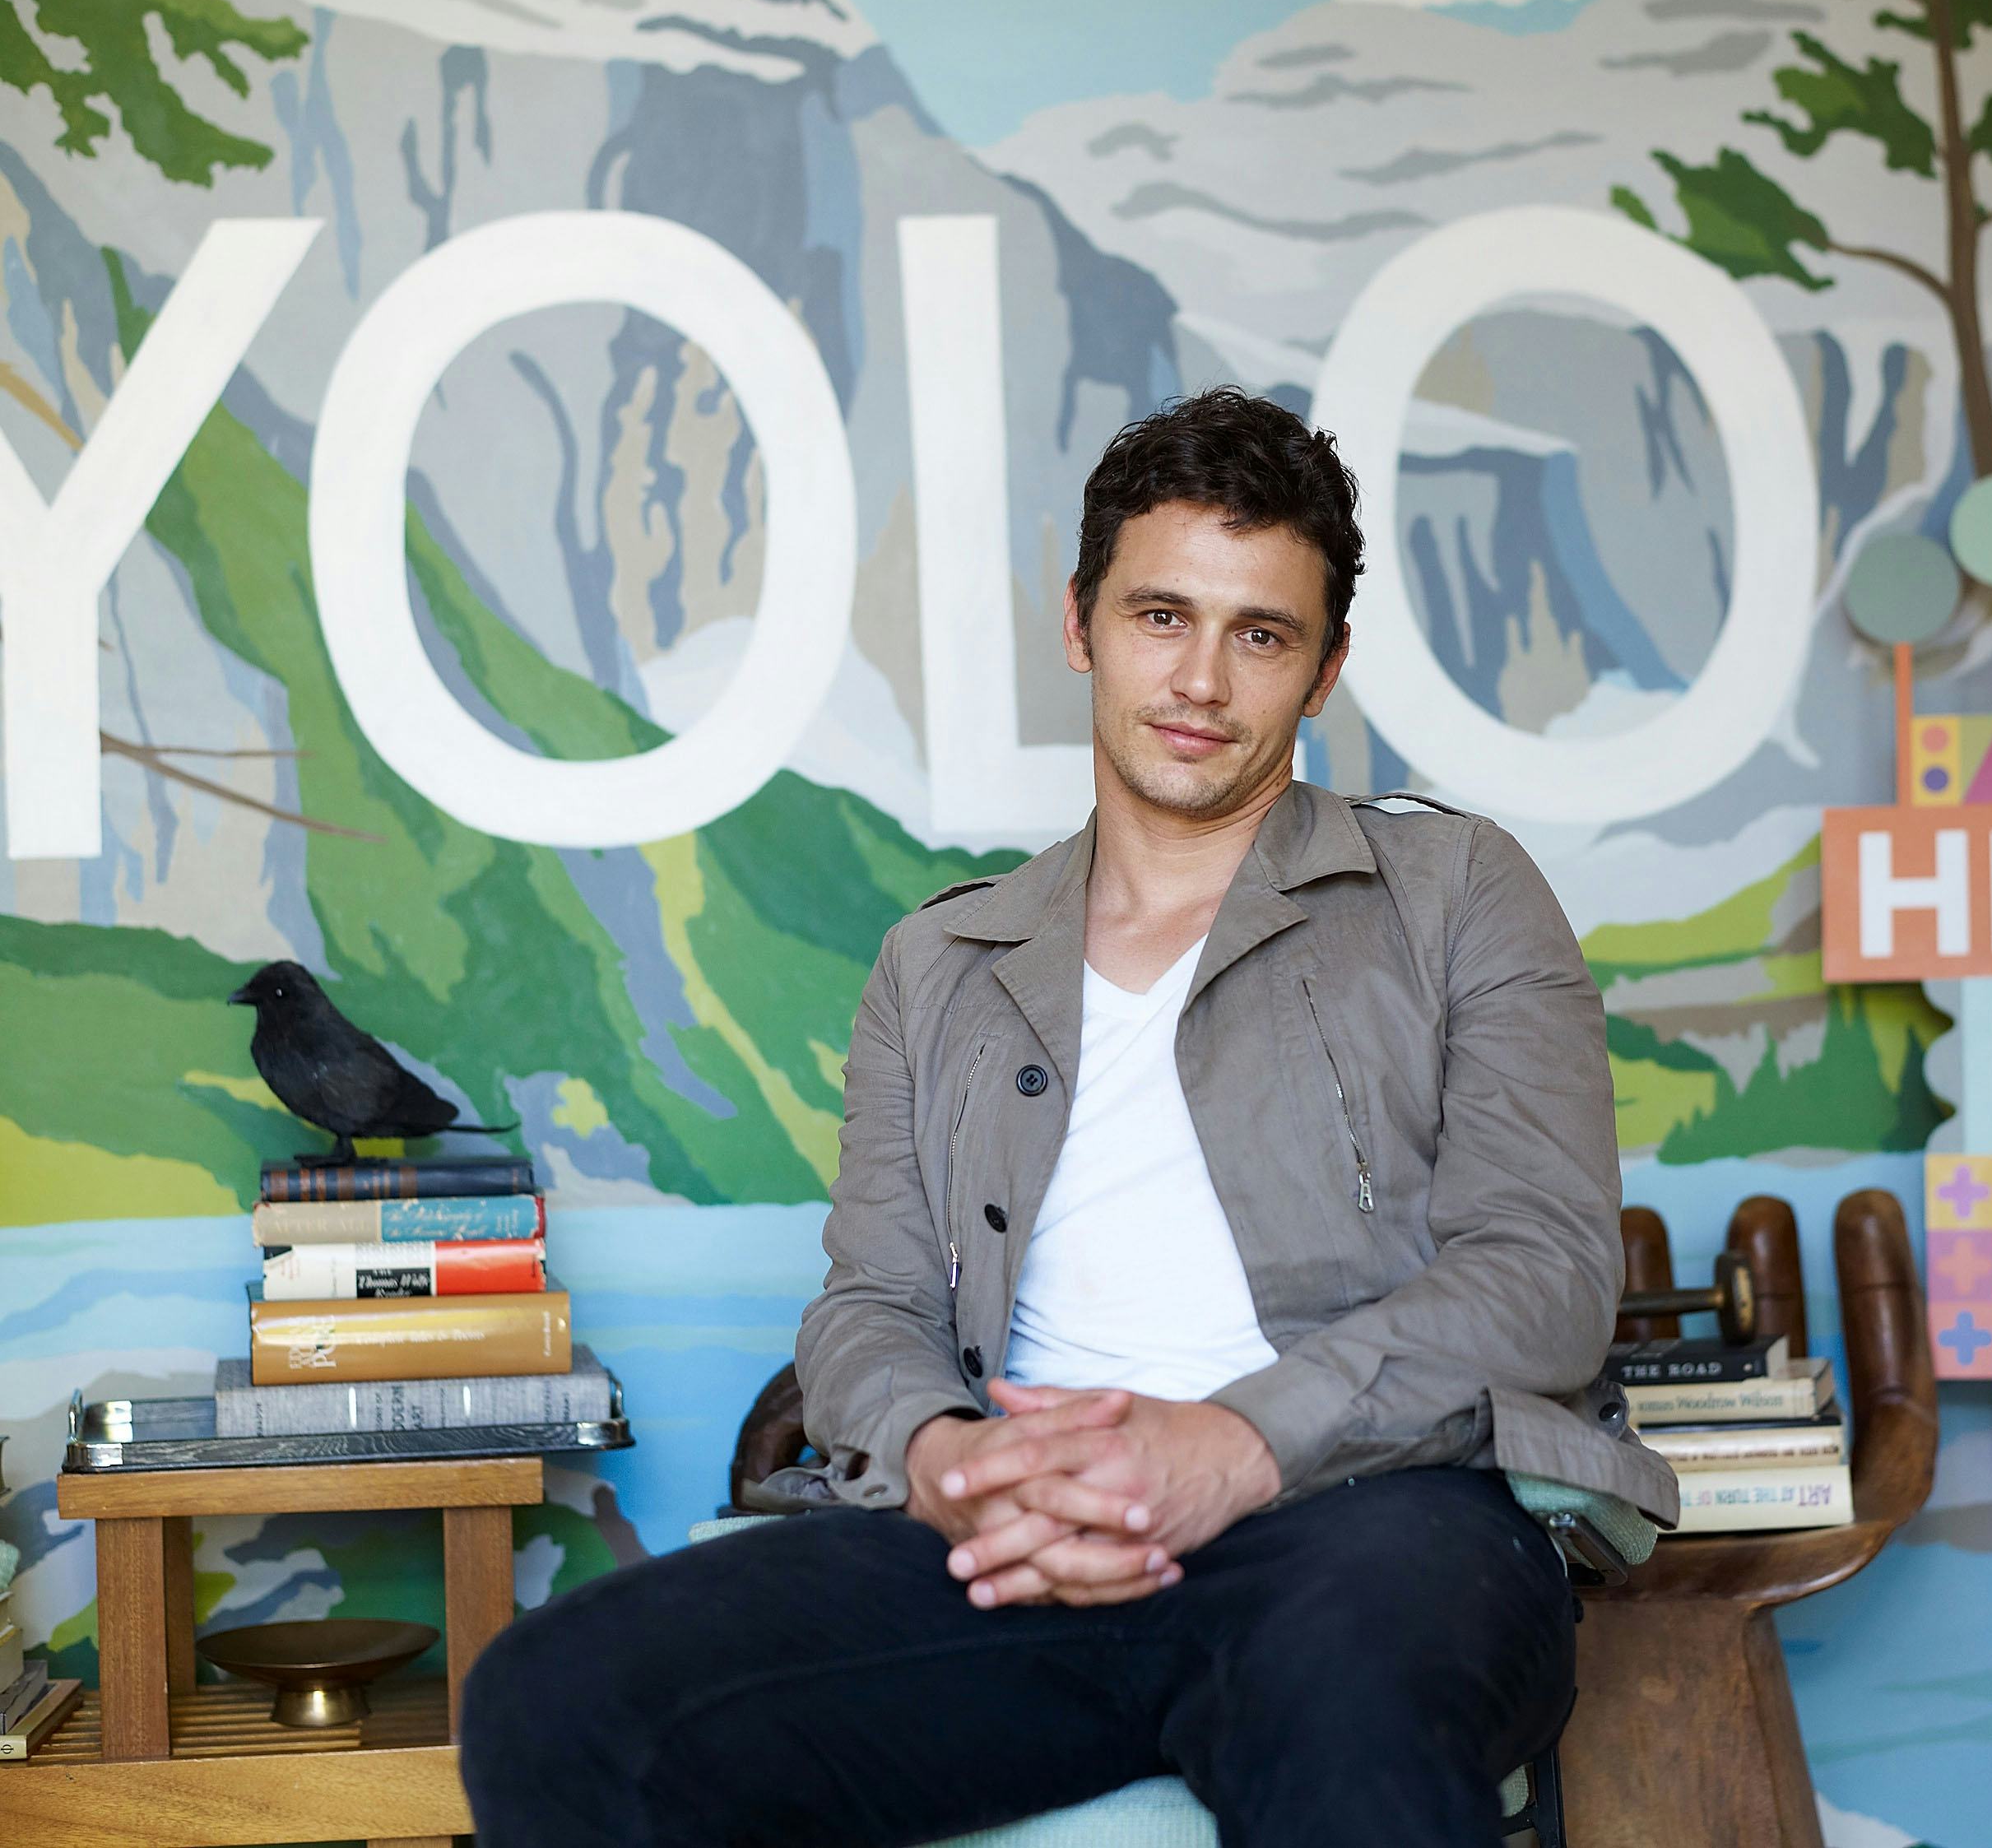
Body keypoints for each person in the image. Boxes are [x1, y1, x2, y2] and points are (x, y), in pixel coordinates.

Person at [458, 387, 1675, 1846]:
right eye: (1162, 616)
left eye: (1262, 635)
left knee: (1351, 1719)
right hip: (1012, 1544)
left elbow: (1544, 1275)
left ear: (1325, 668)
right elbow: (869, 1307)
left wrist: (1229, 1448)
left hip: (1369, 1523)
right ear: (1081, 621)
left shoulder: (1459, 894)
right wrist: (947, 1463)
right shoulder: (941, 960)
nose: (1202, 680)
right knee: (559, 1697)